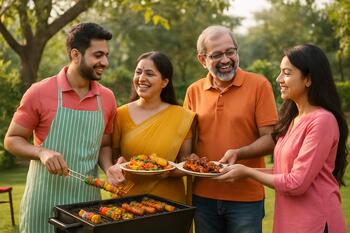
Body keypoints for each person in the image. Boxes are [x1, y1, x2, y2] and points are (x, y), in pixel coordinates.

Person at [217, 44, 348, 233]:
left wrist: (247, 172)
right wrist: (239, 170)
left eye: (286, 73)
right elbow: (284, 172)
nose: (279, 79)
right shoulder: (293, 120)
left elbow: (296, 183)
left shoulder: (322, 121)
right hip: (291, 221)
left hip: (315, 223)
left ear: (309, 79)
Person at [4, 23, 121, 233]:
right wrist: (41, 151)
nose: (105, 62)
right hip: (43, 203)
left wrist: (108, 167)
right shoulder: (39, 92)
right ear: (76, 54)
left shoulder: (107, 98)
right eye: (98, 55)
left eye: (106, 55)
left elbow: (104, 143)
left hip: (87, 206)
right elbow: (12, 139)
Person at [183, 25, 278, 233]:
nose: (225, 60)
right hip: (203, 197)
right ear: (202, 60)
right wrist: (187, 159)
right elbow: (187, 141)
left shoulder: (259, 85)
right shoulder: (193, 91)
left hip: (245, 198)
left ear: (237, 52)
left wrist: (239, 153)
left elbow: (271, 139)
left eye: (230, 52)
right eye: (217, 55)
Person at [112, 51, 196, 203]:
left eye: (149, 74)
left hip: (169, 200)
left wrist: (169, 171)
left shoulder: (181, 116)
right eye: (138, 72)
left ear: (164, 82)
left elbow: (185, 161)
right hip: (128, 199)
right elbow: (114, 155)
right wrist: (118, 164)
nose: (141, 78)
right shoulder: (120, 114)